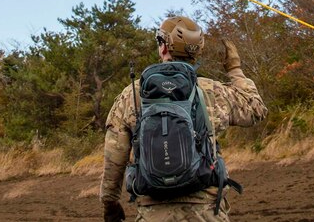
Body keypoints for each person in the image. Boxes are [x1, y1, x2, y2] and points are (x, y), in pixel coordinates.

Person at [100, 15, 268, 222]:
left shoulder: (131, 95)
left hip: (153, 213)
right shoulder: (213, 91)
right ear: (196, 52)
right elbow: (256, 110)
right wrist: (234, 69)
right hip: (206, 212)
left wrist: (110, 203)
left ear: (163, 47)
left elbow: (114, 157)